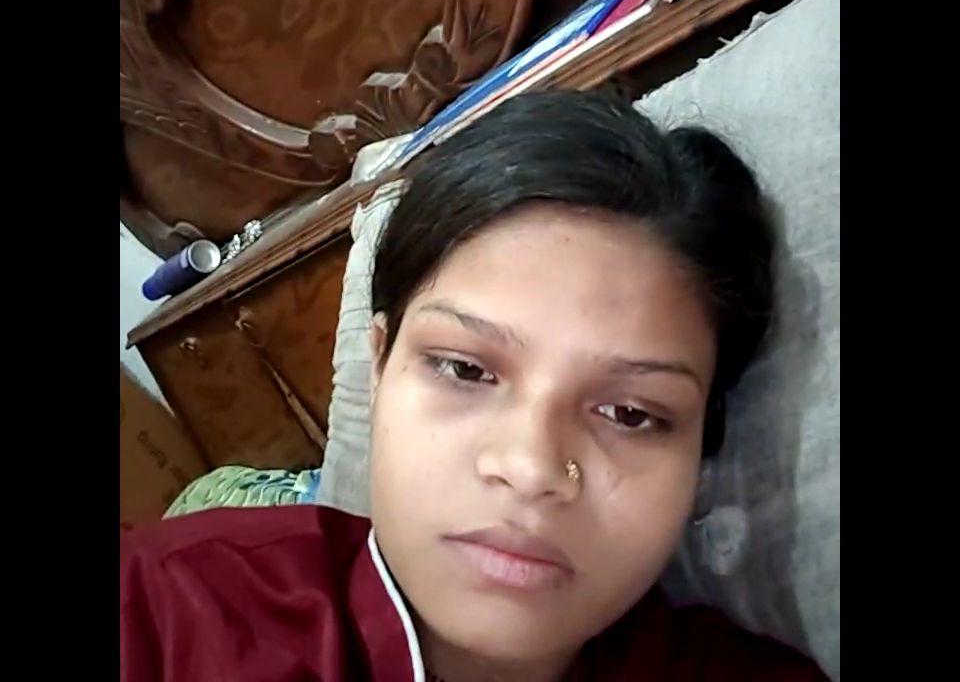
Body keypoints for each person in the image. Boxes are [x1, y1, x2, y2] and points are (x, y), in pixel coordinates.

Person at [121, 90, 828, 681]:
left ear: (701, 453)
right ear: (380, 365)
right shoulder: (164, 615)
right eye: (465, 369)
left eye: (629, 413)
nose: (530, 468)